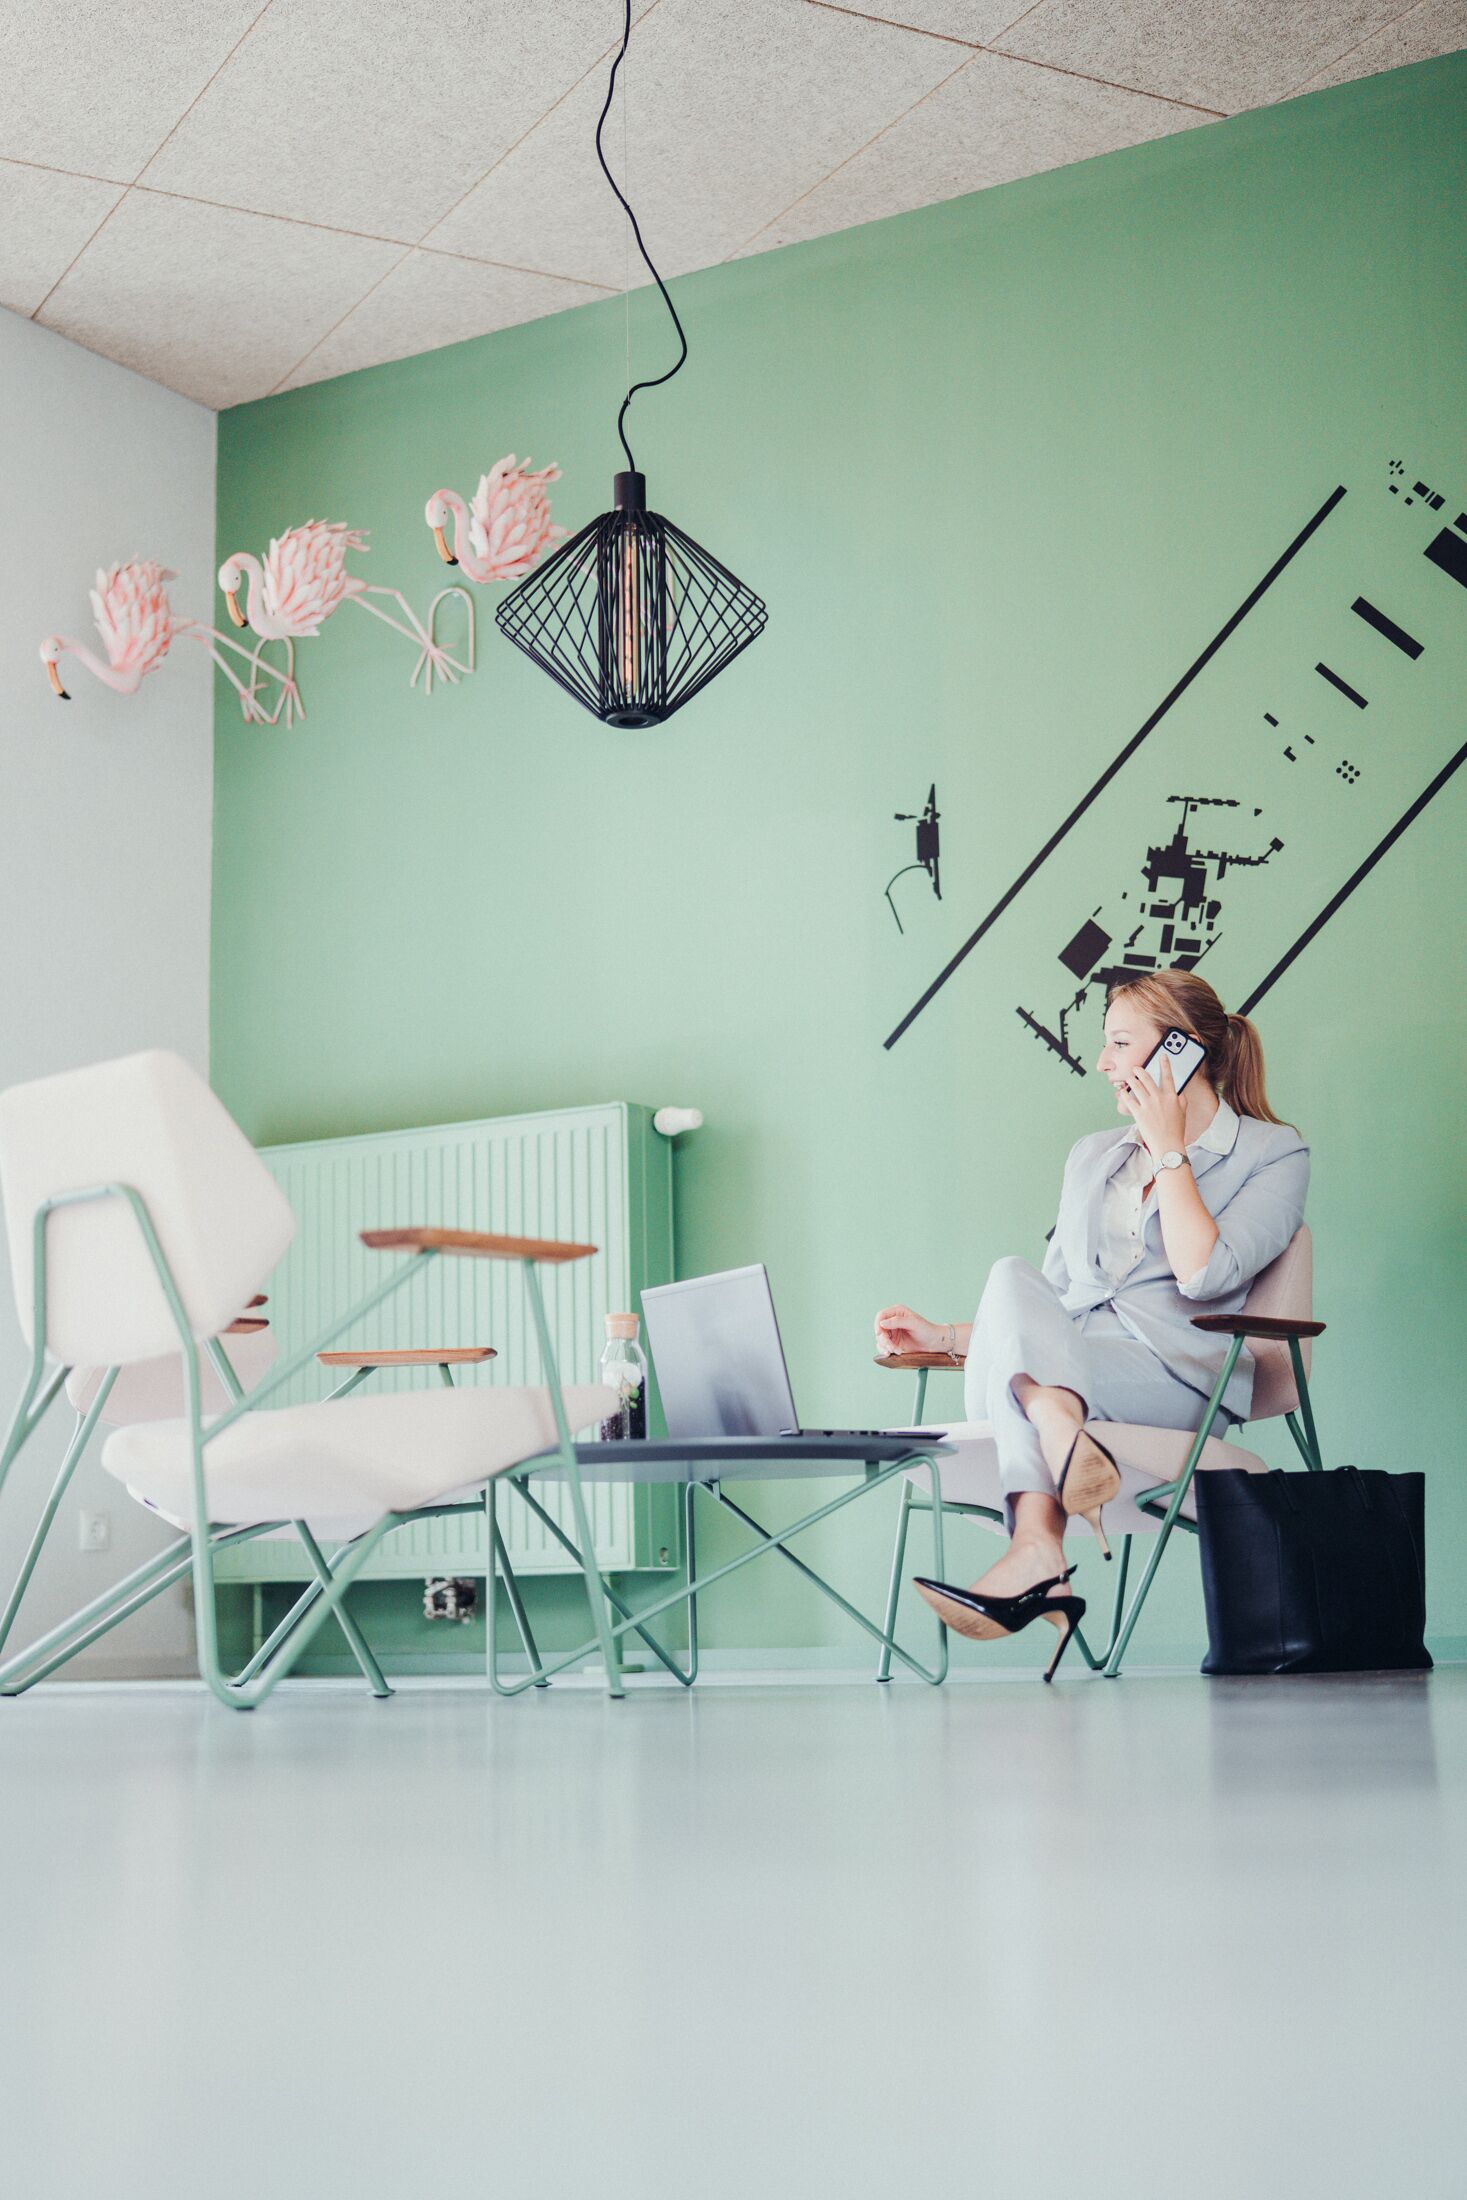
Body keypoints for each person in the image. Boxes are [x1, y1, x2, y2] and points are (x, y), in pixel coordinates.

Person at [873, 969, 1308, 1679]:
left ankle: (1038, 1546)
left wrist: (1168, 1148)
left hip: (1174, 1380)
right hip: (1074, 1368)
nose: (1102, 1063)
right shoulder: (1091, 1155)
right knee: (1010, 1273)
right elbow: (1044, 1307)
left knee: (1025, 1378)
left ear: (1181, 1049)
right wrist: (947, 1339)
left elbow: (1204, 1274)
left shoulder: (1272, 1153)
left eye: (1117, 1044)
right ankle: (1054, 1449)